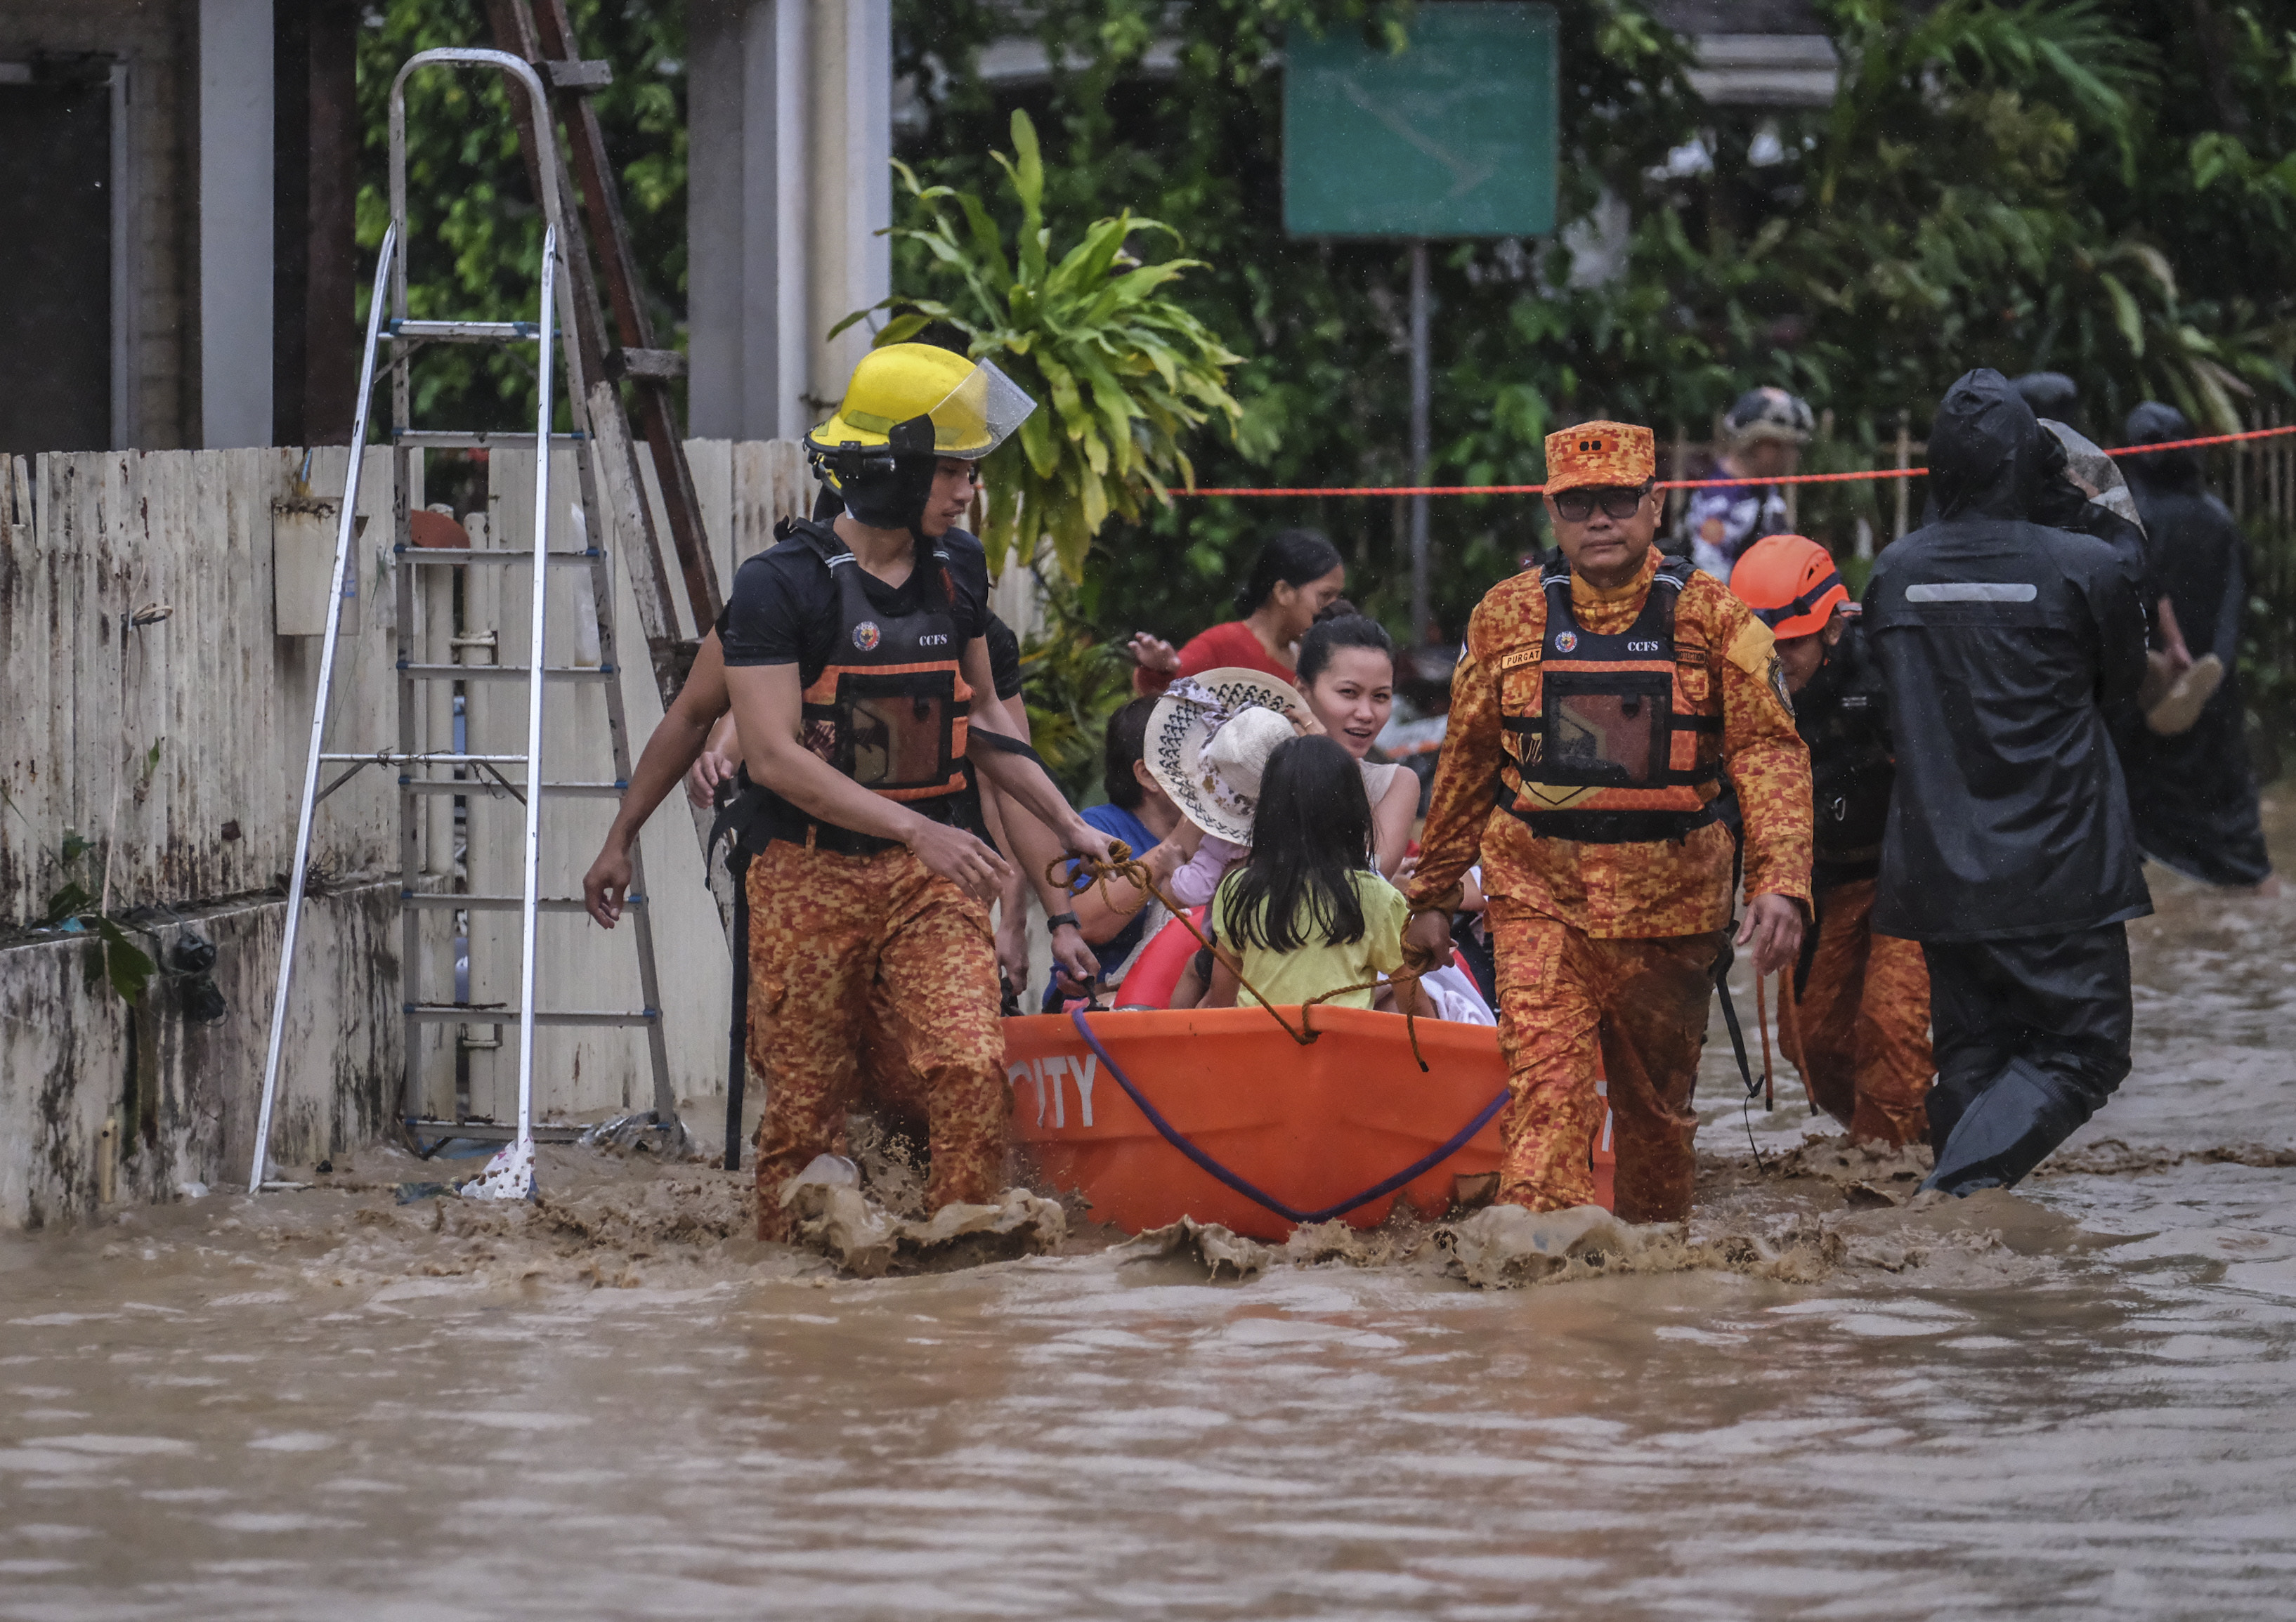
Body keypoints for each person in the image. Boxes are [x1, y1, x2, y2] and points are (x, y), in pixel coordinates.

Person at [711, 342, 1115, 1239]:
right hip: (804, 877)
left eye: (972, 472)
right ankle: (797, 1316)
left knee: (970, 1064)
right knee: (803, 1118)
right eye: (954, 471)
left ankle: (961, 1278)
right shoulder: (777, 585)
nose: (968, 491)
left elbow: (984, 726)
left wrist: (1066, 822)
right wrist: (915, 830)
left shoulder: (958, 570)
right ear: (891, 471)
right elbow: (773, 757)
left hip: (931, 877)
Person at [1404, 420, 1812, 1224]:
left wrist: (1781, 882)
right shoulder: (1503, 619)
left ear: (1654, 505)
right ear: (1551, 513)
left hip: (1674, 914)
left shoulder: (1716, 620)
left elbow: (1769, 753)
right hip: (1537, 899)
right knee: (1547, 1101)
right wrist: (1433, 892)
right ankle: (1548, 1310)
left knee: (1657, 1125)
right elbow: (1465, 765)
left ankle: (1643, 1308)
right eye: (1579, 503)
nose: (1600, 518)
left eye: (1618, 500)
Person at [1864, 369, 2152, 1197]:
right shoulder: (2084, 566)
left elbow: (1889, 702)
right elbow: (2120, 683)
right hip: (2059, 863)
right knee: (2085, 1049)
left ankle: (1970, 1296)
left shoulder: (1892, 571)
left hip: (1938, 867)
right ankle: (1948, 1201)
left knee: (1974, 1050)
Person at [1730, 534, 1933, 1147]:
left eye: (1790, 644)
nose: (1774, 660)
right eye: (1761, 645)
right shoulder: (1734, 682)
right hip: (1819, 883)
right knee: (1809, 1043)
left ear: (1834, 631)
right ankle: (1904, 1143)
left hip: (1907, 877)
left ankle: (1892, 1182)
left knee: (1891, 1030)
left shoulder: (1890, 670)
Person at [2116, 402, 2278, 894]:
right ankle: (2249, 878)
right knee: (2226, 813)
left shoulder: (2122, 520)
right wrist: (2220, 669)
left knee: (2137, 817)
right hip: (2211, 697)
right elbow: (2234, 603)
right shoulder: (2218, 519)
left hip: (2138, 702)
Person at [1202, 735, 1426, 1016]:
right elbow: (1414, 1006)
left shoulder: (1237, 890)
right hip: (1341, 1054)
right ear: (1355, 814)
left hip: (1259, 1053)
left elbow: (1220, 999)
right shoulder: (1377, 897)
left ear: (1267, 812)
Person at [1041, 696, 1201, 1009]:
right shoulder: (1098, 829)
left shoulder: (1221, 837)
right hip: (1091, 1012)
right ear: (1147, 775)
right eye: (1198, 755)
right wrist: (1178, 841)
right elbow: (1087, 924)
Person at [1128, 529, 1346, 695]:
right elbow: (1158, 692)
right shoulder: (1223, 645)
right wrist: (1158, 670)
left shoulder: (1309, 660)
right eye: (1325, 596)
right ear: (1283, 592)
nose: (1334, 607)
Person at [1294, 613, 1421, 877]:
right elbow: (1187, 871)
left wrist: (1321, 767)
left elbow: (1366, 880)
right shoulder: (1252, 758)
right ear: (1303, 692)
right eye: (1349, 693)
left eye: (1381, 696)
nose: (1366, 713)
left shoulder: (1396, 785)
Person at [1681, 386, 1813, 584]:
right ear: (1752, 442)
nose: (1790, 456)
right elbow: (1713, 586)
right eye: (1779, 445)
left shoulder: (1759, 488)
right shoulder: (1720, 504)